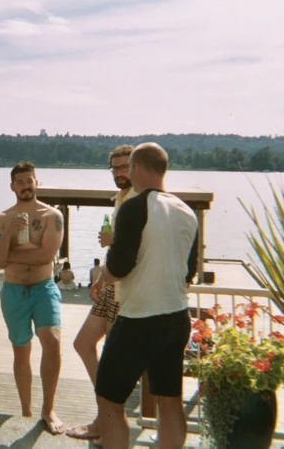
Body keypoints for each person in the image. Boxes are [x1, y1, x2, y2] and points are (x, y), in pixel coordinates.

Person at [95, 143, 198, 449]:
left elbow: (119, 266)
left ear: (137, 168)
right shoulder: (186, 211)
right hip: (177, 317)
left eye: (128, 168)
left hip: (139, 318)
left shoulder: (135, 206)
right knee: (170, 399)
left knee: (109, 399)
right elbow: (189, 271)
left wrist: (103, 277)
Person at [0, 161, 66, 434]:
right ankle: (26, 410)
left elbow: (46, 256)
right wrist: (9, 232)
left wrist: (8, 255)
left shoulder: (52, 215)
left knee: (52, 341)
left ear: (37, 182)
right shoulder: (1, 218)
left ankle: (48, 409)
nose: (25, 185)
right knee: (22, 351)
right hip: (13, 292)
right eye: (19, 182)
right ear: (12, 186)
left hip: (43, 287)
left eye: (29, 180)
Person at [67, 144, 137, 442]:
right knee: (83, 343)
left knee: (111, 362)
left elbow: (134, 246)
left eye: (125, 167)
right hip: (112, 285)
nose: (120, 173)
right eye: (115, 168)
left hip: (128, 292)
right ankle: (104, 417)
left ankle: (105, 422)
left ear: (136, 168)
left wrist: (112, 239)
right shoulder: (122, 198)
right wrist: (103, 279)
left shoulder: (136, 199)